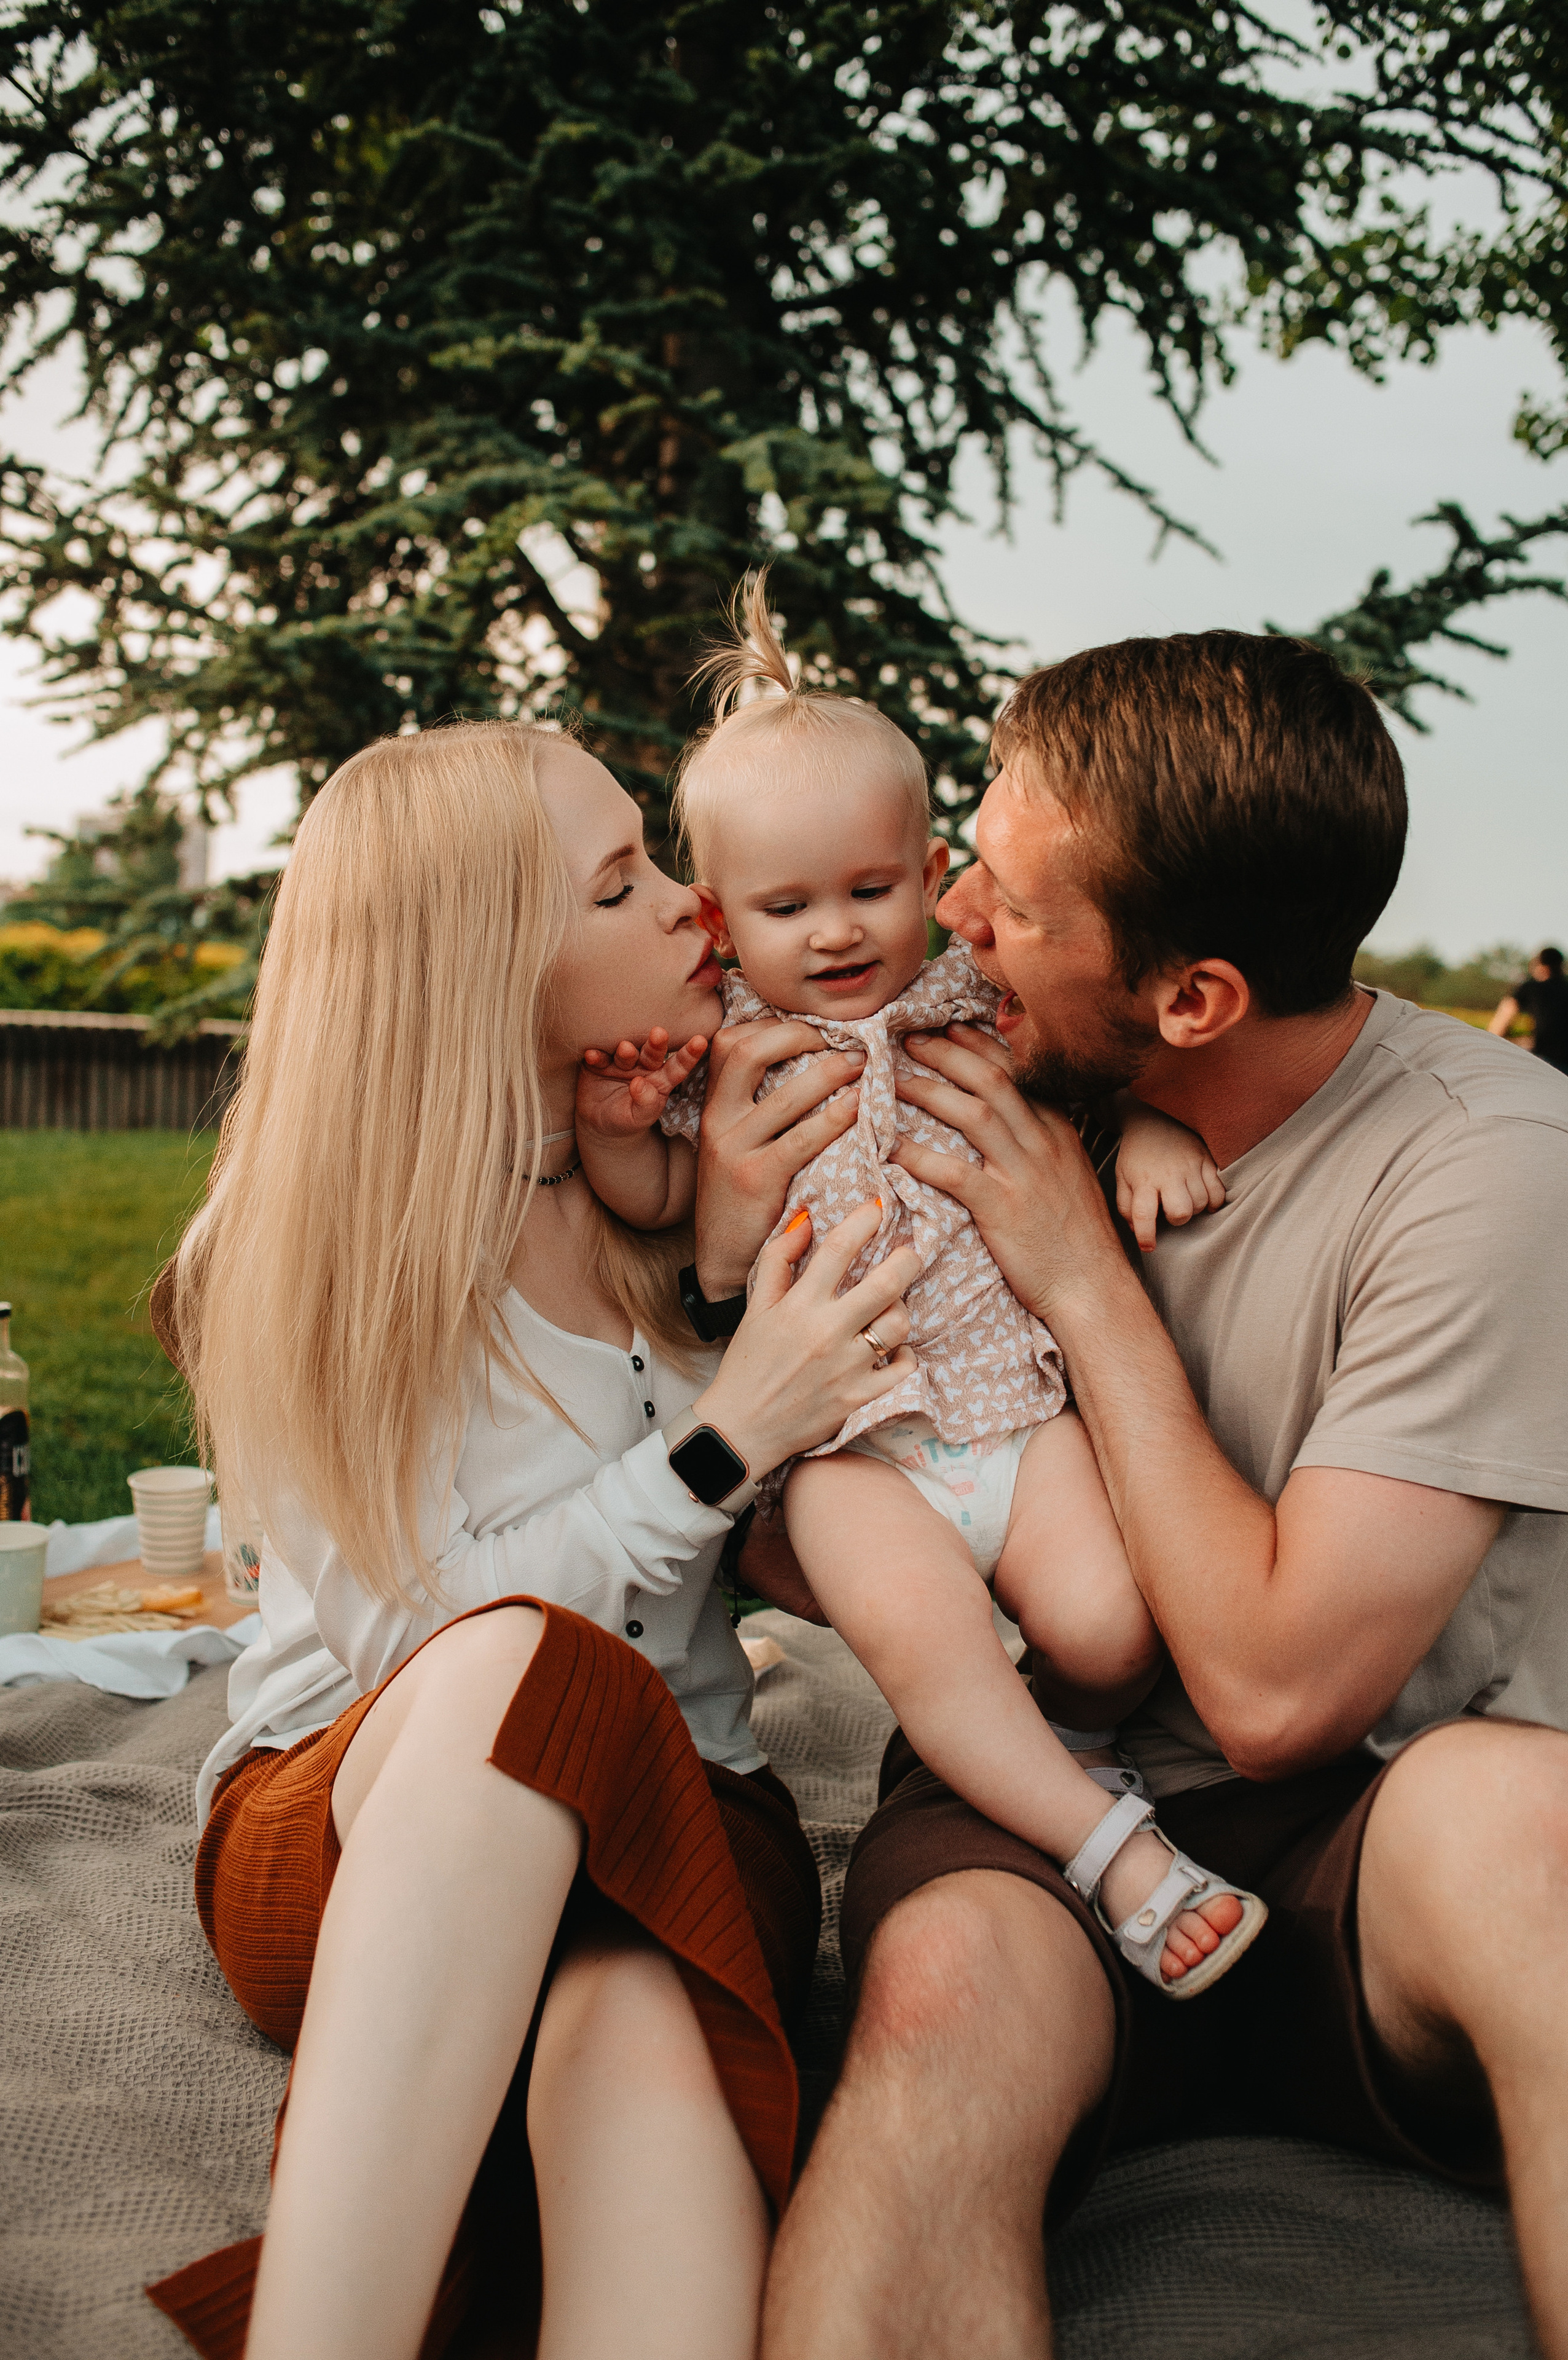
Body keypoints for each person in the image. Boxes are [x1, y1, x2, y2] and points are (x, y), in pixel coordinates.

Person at [745, 631, 1568, 2360]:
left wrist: (1086, 1285)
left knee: (1537, 1836)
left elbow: (1280, 1699)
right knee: (941, 2002)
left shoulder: (1488, 1170)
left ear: (1191, 998)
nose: (948, 914)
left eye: (1008, 897)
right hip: (1055, 1790)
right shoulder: (971, 1066)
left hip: (1378, 1826)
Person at [142, 718, 928, 2360]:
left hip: (697, 1813)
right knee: (517, 1673)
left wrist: (715, 1269)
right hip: (353, 1819)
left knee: (639, 2012)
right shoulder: (312, 1240)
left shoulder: (689, 1145)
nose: (692, 915)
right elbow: (415, 1650)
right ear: (494, 963)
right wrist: (720, 1444)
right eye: (621, 885)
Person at [579, 579, 1260, 1997]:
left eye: (869, 889)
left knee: (1104, 1623)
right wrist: (622, 1135)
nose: (831, 931)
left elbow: (1082, 1075)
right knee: (929, 1645)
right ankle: (1110, 1852)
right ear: (718, 915)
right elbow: (658, 1209)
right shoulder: (727, 1047)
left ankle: (1040, 1748)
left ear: (930, 863)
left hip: (1009, 1408)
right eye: (785, 904)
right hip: (847, 1447)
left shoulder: (971, 998)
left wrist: (1140, 1124)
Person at [1490, 945, 1568, 1077]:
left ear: (1540, 966)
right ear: (1562, 967)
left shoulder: (1530, 988)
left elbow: (1499, 1027)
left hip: (1545, 1065)